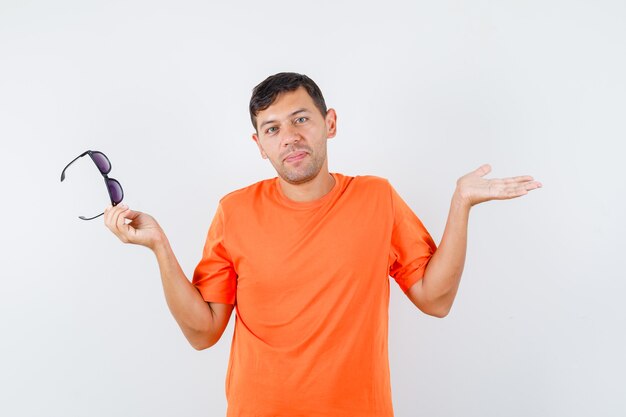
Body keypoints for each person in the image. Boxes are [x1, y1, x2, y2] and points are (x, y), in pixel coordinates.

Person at [104, 72, 542, 416]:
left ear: (329, 123)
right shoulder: (233, 211)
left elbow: (435, 299)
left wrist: (460, 204)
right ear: (259, 145)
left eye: (301, 119)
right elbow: (203, 333)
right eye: (272, 129)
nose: (290, 137)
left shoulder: (377, 198)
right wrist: (160, 246)